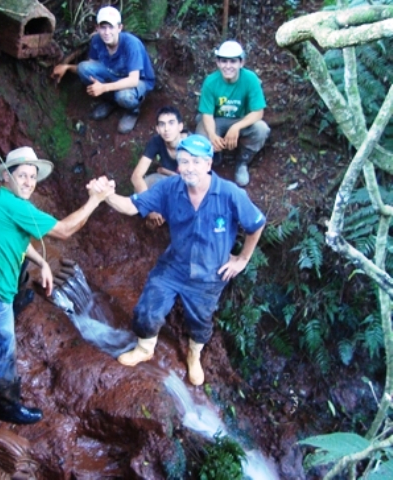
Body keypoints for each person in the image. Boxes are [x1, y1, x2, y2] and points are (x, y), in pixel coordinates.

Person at [0, 146, 114, 424]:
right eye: (23, 176)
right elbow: (65, 231)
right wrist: (95, 200)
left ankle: (15, 302)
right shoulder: (15, 206)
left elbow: (14, 239)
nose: (29, 182)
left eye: (33, 176)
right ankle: (8, 405)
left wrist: (42, 262)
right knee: (3, 348)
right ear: (6, 176)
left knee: (21, 263)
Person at [103, 135, 266, 386]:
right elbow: (131, 206)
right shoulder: (170, 188)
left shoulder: (230, 193)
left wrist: (242, 259)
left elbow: (256, 224)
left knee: (200, 321)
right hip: (174, 266)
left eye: (196, 162)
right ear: (178, 165)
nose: (189, 167)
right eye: (184, 161)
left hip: (211, 273)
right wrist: (106, 195)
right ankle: (145, 348)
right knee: (148, 307)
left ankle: (194, 355)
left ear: (208, 164)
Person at [51, 6, 156, 134]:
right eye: (103, 27)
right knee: (84, 68)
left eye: (111, 27)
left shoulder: (131, 44)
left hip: (138, 81)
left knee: (123, 95)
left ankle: (132, 111)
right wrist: (67, 67)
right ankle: (111, 102)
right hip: (114, 74)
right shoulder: (97, 41)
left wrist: (104, 88)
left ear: (119, 28)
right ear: (97, 28)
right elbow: (90, 67)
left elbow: (133, 80)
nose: (107, 32)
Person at [195, 40, 270, 187]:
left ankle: (242, 162)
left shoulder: (250, 79)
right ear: (218, 62)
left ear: (241, 63)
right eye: (224, 61)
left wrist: (236, 127)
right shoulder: (211, 82)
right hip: (217, 120)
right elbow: (207, 114)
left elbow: (258, 112)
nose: (228, 66)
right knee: (200, 136)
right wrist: (212, 135)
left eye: (233, 61)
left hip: (241, 120)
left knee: (261, 129)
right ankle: (212, 158)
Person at [130, 105, 188, 228]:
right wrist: (150, 207)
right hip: (167, 181)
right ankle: (157, 214)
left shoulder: (192, 144)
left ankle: (169, 216)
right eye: (162, 124)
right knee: (141, 186)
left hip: (187, 186)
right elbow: (136, 176)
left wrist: (165, 171)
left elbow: (198, 180)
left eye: (171, 123)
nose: (166, 129)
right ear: (157, 129)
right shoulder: (156, 141)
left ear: (180, 126)